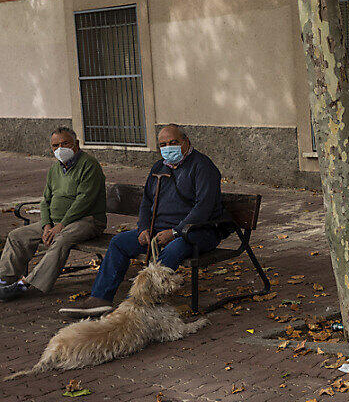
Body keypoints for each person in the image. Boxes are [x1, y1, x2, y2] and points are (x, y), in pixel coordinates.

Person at [59, 124, 235, 317]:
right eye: (163, 144)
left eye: (173, 142)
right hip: (159, 230)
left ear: (186, 142)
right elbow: (146, 202)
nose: (168, 147)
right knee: (119, 242)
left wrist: (175, 232)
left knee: (173, 249)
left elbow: (204, 207)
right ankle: (100, 299)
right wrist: (143, 228)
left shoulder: (202, 166)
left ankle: (141, 305)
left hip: (198, 231)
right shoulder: (159, 167)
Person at [0, 127, 106, 301]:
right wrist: (46, 224)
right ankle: (4, 281)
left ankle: (26, 285)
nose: (60, 149)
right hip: (56, 223)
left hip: (87, 220)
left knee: (61, 239)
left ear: (76, 144)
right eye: (55, 145)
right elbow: (45, 200)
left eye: (65, 144)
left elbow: (84, 200)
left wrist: (60, 226)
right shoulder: (55, 169)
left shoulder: (89, 165)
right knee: (17, 235)